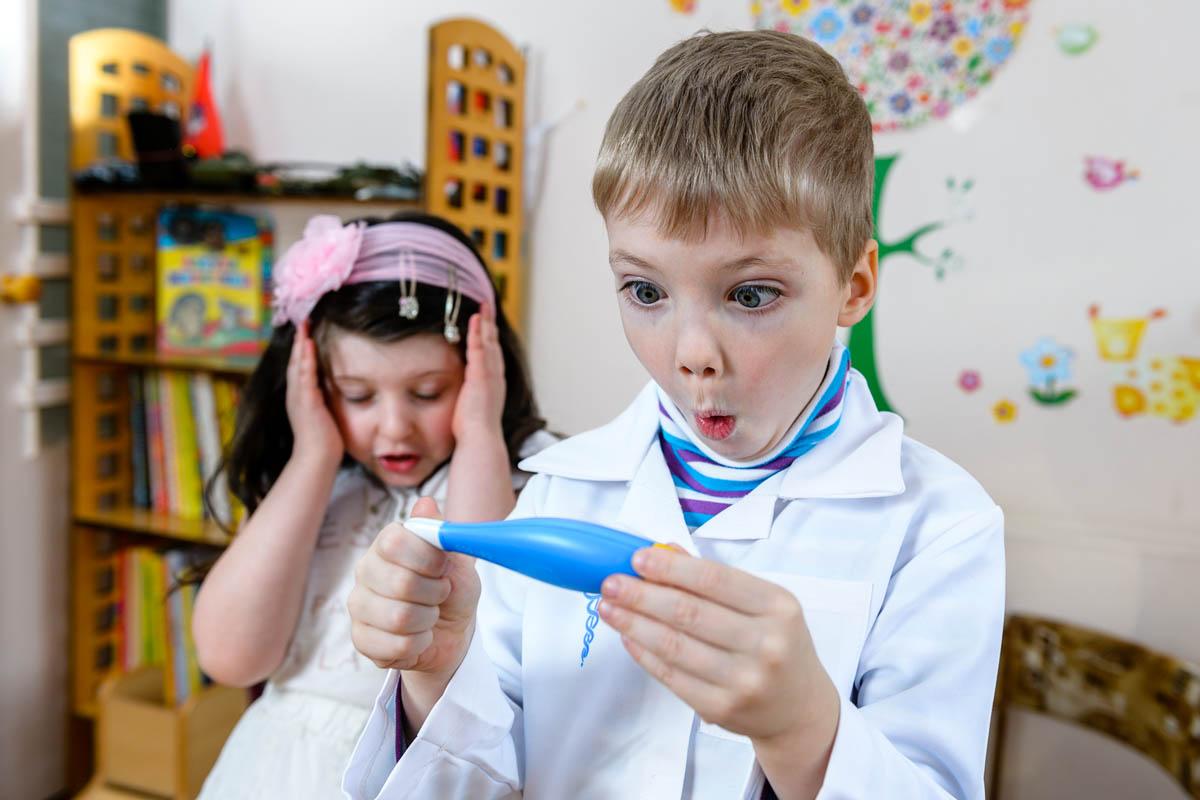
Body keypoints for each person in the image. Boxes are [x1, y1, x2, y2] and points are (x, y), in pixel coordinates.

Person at [343, 30, 1004, 800]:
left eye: (751, 294)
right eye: (646, 292)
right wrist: (436, 671)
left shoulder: (940, 528)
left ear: (853, 287)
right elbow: (482, 782)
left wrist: (804, 731)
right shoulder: (562, 491)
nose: (692, 353)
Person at [191, 211, 552, 800]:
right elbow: (232, 658)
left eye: (427, 392)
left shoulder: (525, 475)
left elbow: (489, 630)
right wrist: (312, 454)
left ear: (481, 371)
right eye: (357, 395)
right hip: (269, 771)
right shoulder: (319, 484)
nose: (393, 428)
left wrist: (480, 433)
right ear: (313, 384)